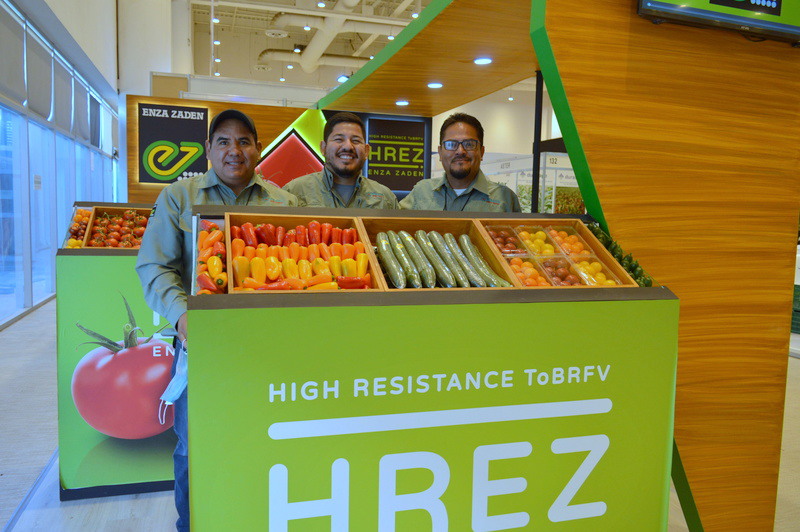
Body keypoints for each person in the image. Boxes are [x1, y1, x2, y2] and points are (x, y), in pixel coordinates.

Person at [135, 109, 297, 531]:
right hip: (201, 347)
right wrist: (181, 316)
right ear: (208, 148)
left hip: (268, 351)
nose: (233, 151)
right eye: (223, 141)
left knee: (265, 438)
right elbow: (154, 266)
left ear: (258, 148)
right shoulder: (179, 197)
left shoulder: (283, 203)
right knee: (195, 446)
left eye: (244, 141)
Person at [400, 113, 521, 212]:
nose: (460, 151)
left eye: (469, 144)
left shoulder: (504, 198)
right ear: (440, 152)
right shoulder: (422, 191)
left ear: (482, 152)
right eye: (451, 144)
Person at [283, 112, 399, 209]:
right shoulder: (294, 191)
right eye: (339, 139)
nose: (348, 146)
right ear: (323, 148)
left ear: (366, 151)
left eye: (356, 140)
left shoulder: (385, 197)